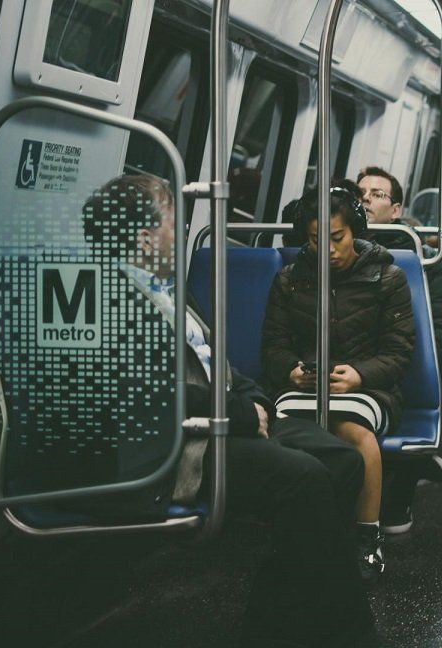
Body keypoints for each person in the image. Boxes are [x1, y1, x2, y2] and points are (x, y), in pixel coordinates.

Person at [81, 175, 375, 646]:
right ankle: (351, 634)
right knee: (302, 477)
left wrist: (255, 400)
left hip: (225, 418)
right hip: (177, 445)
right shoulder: (101, 297)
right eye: (173, 225)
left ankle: (272, 618)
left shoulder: (168, 287)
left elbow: (217, 362)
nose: (179, 236)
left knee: (343, 460)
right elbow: (138, 390)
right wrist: (238, 414)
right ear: (142, 238)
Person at [261, 186, 415, 579]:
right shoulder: (289, 280)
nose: (328, 249)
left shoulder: (388, 277)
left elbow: (398, 354)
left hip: (369, 387)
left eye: (337, 238)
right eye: (316, 240)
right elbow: (274, 347)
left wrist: (359, 375)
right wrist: (291, 371)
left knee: (351, 429)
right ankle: (297, 537)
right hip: (304, 384)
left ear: (354, 233)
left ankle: (367, 538)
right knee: (282, 432)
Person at [354, 167, 442, 535]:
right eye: (360, 192)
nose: (366, 197)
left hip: (403, 365)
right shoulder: (334, 251)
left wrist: (417, 368)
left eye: (377, 194)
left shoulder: (422, 259)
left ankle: (404, 474)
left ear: (395, 209)